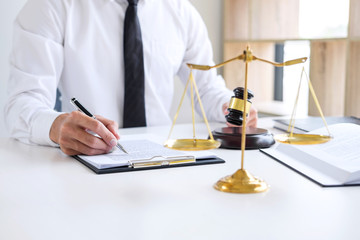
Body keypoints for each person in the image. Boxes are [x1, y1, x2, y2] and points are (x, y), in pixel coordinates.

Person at [5, 0, 257, 156]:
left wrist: (230, 108)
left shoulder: (182, 12)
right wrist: (56, 126)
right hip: (85, 165)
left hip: (164, 160)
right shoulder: (50, 6)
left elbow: (207, 89)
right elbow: (22, 104)